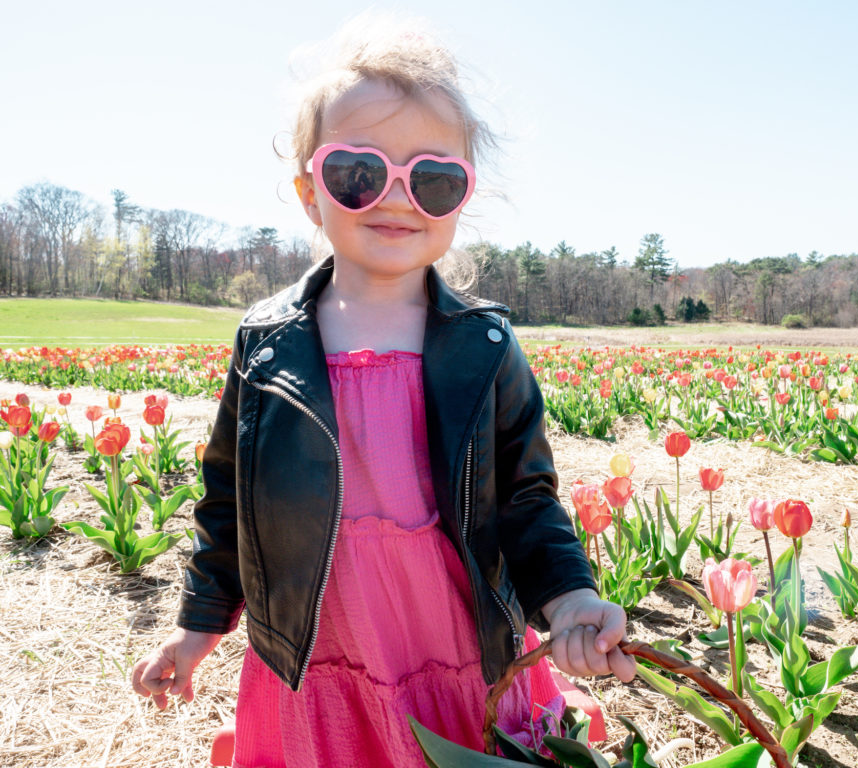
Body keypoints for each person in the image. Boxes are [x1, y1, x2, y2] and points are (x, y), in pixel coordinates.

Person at [131, 15, 634, 767]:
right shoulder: (268, 342)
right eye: (358, 173)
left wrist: (567, 600)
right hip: (321, 635)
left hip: (448, 633)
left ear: (461, 200)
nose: (397, 198)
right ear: (310, 191)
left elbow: (527, 500)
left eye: (432, 180)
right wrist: (200, 625)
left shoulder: (484, 345)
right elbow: (229, 498)